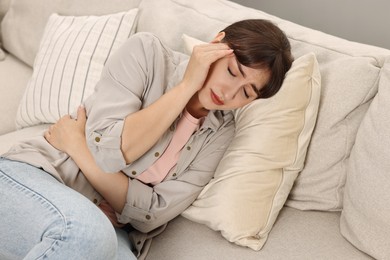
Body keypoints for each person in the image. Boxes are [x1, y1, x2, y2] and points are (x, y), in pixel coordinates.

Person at [0, 19, 293, 259]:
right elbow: (109, 152)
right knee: (87, 232)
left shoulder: (221, 133)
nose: (228, 94)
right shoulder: (146, 53)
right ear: (216, 45)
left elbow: (151, 214)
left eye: (246, 93)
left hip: (110, 229)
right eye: (232, 72)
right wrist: (187, 85)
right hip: (39, 177)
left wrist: (78, 147)